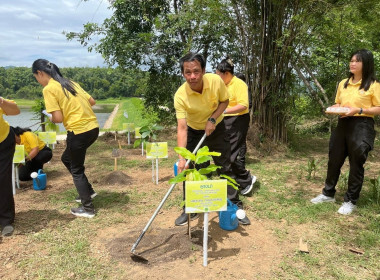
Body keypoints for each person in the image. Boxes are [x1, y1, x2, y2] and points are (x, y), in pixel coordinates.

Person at [174, 52, 250, 226]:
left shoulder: (215, 81)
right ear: (183, 73)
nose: (192, 76)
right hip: (194, 130)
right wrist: (181, 157)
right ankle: (190, 208)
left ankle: (234, 206)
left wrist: (213, 118)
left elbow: (224, 101)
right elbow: (182, 127)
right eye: (188, 72)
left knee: (225, 165)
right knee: (191, 170)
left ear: (203, 70)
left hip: (217, 128)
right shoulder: (180, 95)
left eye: (196, 71)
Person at [310, 49, 380, 215]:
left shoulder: (373, 85)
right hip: (342, 124)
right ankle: (328, 193)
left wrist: (359, 110)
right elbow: (339, 103)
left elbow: (378, 108)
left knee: (356, 163)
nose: (352, 63)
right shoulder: (343, 83)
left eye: (357, 61)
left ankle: (350, 200)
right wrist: (334, 108)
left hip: (362, 125)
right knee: (334, 159)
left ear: (366, 64)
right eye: (351, 60)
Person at [32, 59, 99, 218]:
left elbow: (58, 118)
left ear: (40, 73)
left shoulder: (49, 89)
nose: (38, 81)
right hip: (93, 128)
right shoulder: (71, 83)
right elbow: (92, 101)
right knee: (66, 158)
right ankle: (88, 191)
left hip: (78, 131)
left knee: (76, 169)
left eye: (36, 77)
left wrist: (51, 118)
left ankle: (88, 208)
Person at [216, 59, 256, 196]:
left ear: (226, 73)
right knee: (224, 153)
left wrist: (224, 111)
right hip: (224, 121)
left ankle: (243, 180)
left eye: (219, 75)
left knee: (230, 154)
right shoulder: (222, 85)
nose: (218, 79)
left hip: (238, 120)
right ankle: (244, 180)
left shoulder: (239, 84)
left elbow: (244, 105)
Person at [0, 96, 20, 236]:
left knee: (2, 179)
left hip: (3, 141)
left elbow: (15, 110)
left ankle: (6, 220)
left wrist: (2, 102)